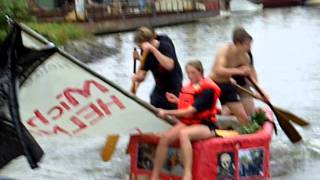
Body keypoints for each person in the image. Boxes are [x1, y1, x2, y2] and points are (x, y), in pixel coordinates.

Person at [150, 60, 221, 180]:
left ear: (200, 72)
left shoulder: (207, 90)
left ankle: (187, 174)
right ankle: (155, 175)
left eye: (193, 72)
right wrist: (178, 101)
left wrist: (166, 112)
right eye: (188, 73)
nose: (189, 76)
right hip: (190, 122)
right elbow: (190, 104)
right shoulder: (191, 87)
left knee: (184, 134)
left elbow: (190, 111)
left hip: (207, 125)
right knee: (165, 139)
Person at [210, 27, 264, 125]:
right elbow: (217, 70)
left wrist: (260, 92)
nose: (249, 48)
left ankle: (224, 120)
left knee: (245, 119)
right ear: (238, 44)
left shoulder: (246, 57)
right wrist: (239, 71)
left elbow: (250, 77)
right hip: (213, 84)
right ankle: (216, 121)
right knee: (204, 112)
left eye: (250, 44)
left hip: (227, 86)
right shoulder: (225, 50)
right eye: (247, 45)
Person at [132, 26, 183, 109]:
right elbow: (143, 74)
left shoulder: (165, 43)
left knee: (170, 104)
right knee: (154, 100)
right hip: (159, 87)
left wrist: (153, 49)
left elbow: (169, 66)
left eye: (140, 45)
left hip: (173, 85)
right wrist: (137, 78)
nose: (140, 47)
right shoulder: (144, 52)